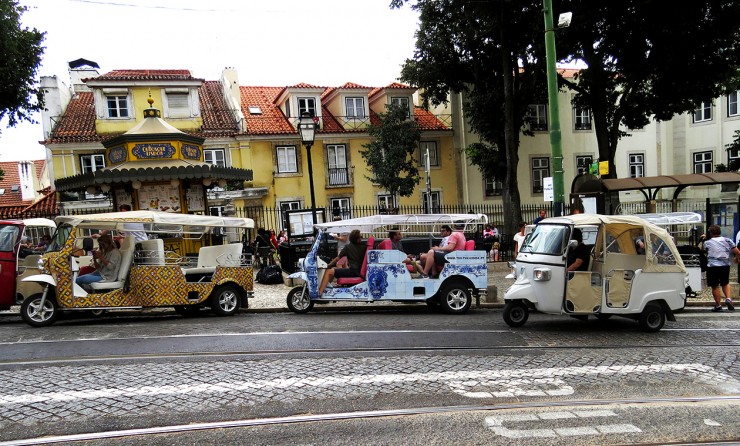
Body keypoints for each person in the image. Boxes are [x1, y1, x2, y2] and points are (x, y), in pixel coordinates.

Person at [701, 224, 738, 312]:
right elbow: (737, 252)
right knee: (725, 283)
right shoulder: (727, 240)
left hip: (712, 266)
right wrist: (736, 258)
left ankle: (718, 305)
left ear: (710, 233)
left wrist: (703, 240)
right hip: (725, 266)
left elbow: (704, 250)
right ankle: (728, 298)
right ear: (720, 232)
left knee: (715, 286)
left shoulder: (707, 242)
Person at [319, 229, 367, 294]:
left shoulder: (348, 247)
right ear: (358, 238)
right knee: (333, 269)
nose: (361, 238)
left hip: (353, 272)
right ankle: (327, 288)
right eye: (360, 236)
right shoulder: (364, 247)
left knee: (329, 271)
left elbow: (337, 258)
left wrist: (328, 265)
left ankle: (320, 292)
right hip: (359, 271)